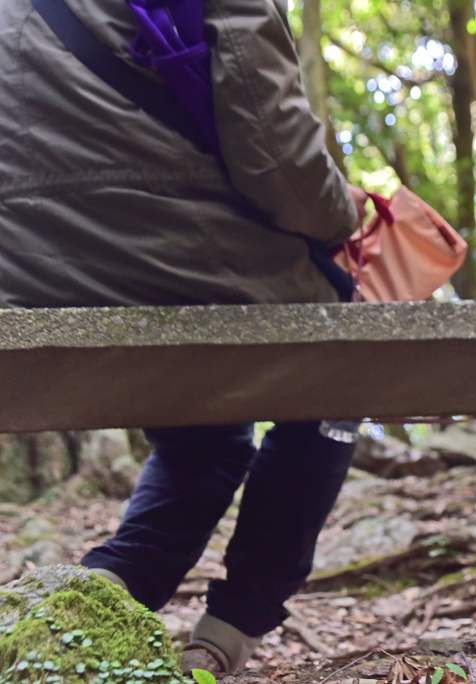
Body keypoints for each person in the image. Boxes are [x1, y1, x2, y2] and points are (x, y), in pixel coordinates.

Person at [0, 0, 367, 671]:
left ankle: (104, 590)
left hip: (25, 285)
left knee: (208, 440)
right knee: (339, 360)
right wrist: (345, 211)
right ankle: (230, 632)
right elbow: (280, 161)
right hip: (179, 264)